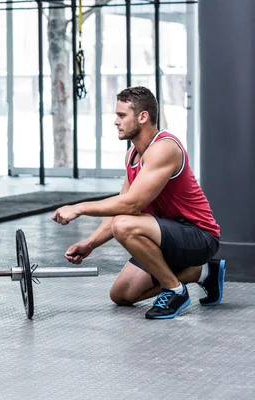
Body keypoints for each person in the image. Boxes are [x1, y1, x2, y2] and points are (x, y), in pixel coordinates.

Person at [52, 86, 224, 319]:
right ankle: (203, 272)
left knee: (124, 225)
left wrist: (79, 208)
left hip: (198, 236)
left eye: (122, 115)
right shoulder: (132, 156)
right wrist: (90, 244)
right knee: (121, 295)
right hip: (166, 236)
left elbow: (130, 206)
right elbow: (120, 205)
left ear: (142, 117)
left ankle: (174, 290)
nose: (115, 121)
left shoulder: (165, 148)